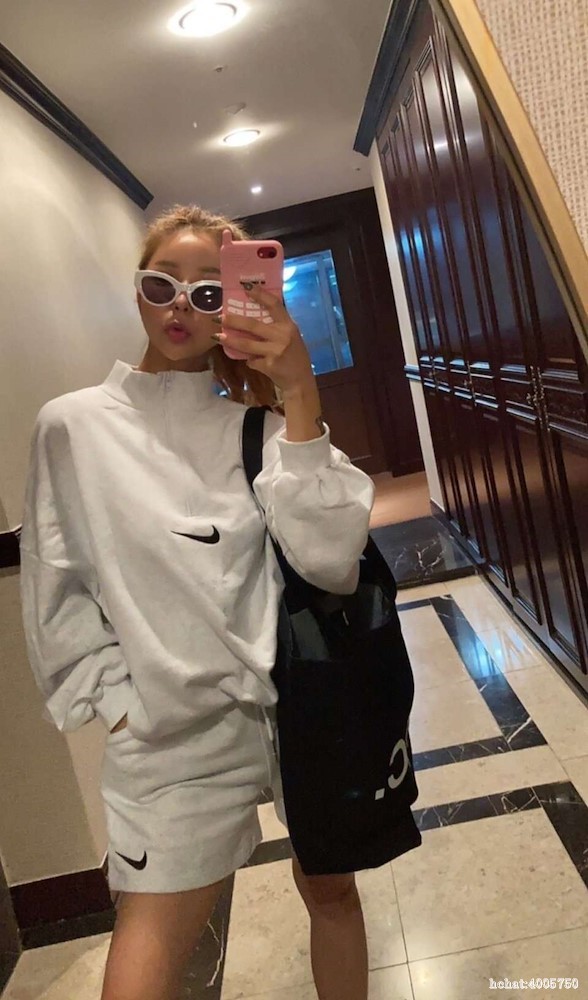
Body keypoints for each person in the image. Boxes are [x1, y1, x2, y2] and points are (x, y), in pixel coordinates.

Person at [20, 204, 376, 1000]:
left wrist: (299, 390)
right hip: (175, 737)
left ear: (235, 307)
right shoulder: (73, 428)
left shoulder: (258, 430)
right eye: (163, 284)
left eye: (209, 292)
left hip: (300, 712)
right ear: (137, 293)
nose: (182, 304)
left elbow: (332, 563)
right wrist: (120, 707)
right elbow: (56, 586)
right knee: (148, 949)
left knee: (332, 894)